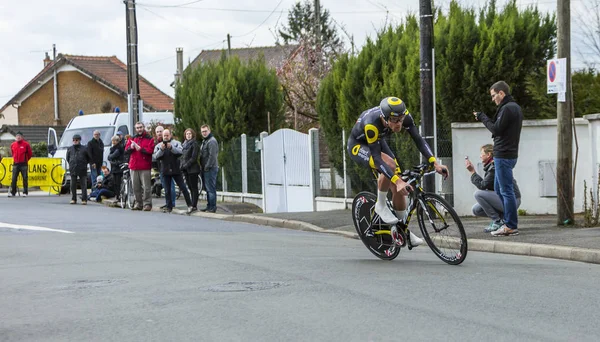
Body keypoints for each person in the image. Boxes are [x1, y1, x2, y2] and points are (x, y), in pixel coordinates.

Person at [347, 97, 449, 246]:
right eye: (394, 120)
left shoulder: (404, 115)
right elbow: (377, 159)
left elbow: (418, 139)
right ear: (384, 117)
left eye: (401, 119)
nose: (399, 124)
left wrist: (435, 163)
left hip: (378, 140)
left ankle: (403, 230)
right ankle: (380, 205)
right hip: (359, 146)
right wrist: (398, 180)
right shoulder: (371, 124)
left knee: (399, 189)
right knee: (390, 166)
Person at [474, 81, 523, 236]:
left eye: (494, 95)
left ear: (502, 93)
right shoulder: (514, 108)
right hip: (508, 154)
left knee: (506, 191)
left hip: (503, 155)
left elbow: (496, 129)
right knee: (499, 190)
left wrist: (482, 117)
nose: (493, 99)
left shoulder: (508, 108)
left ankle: (510, 225)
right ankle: (504, 221)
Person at [466, 144, 522, 232]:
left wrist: (472, 172)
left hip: (513, 201)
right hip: (505, 199)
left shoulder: (494, 167)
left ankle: (497, 221)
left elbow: (482, 186)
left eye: (482, 154)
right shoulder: (492, 166)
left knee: (478, 194)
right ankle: (503, 219)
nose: (480, 156)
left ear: (488, 155)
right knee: (476, 210)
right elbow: (485, 184)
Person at [153, 129, 194, 213]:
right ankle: (169, 206)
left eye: (167, 135)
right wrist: (161, 149)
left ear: (170, 135)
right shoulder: (158, 145)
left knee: (183, 187)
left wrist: (171, 148)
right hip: (165, 170)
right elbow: (155, 156)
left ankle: (190, 205)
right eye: (164, 135)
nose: (166, 137)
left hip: (176, 169)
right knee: (167, 190)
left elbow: (180, 151)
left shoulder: (176, 143)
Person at [125, 122, 155, 211]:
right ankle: (138, 203)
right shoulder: (132, 138)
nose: (139, 129)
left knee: (146, 187)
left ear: (143, 127)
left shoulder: (150, 139)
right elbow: (126, 150)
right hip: (134, 166)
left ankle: (147, 204)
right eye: (137, 128)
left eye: (140, 127)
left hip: (145, 166)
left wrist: (141, 149)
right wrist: (131, 147)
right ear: (135, 129)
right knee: (135, 187)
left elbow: (150, 151)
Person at [153, 125, 176, 209]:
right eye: (157, 132)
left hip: (170, 167)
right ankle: (168, 202)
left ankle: (172, 203)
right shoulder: (155, 143)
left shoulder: (170, 142)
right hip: (160, 167)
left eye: (161, 131)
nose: (159, 133)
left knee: (171, 185)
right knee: (166, 187)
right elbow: (155, 156)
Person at [66, 134, 91, 205]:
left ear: (79, 140)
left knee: (83, 184)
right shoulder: (70, 149)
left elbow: (88, 158)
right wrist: (72, 164)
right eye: (73, 140)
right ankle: (73, 199)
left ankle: (84, 199)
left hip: (82, 168)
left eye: (76, 140)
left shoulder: (84, 148)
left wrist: (84, 163)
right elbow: (68, 158)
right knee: (73, 184)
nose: (75, 141)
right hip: (73, 168)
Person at [180, 128, 201, 212]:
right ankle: (192, 204)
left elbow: (193, 158)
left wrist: (186, 165)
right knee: (189, 187)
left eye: (190, 134)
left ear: (193, 135)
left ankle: (194, 205)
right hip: (186, 170)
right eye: (187, 134)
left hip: (193, 169)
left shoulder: (195, 144)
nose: (188, 135)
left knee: (194, 187)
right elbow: (182, 157)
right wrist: (182, 166)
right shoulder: (184, 144)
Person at [200, 125, 219, 213]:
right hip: (205, 168)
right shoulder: (205, 141)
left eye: (205, 131)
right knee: (208, 188)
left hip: (210, 168)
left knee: (211, 189)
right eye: (202, 131)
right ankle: (209, 206)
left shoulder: (212, 141)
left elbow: (212, 156)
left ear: (209, 130)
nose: (204, 133)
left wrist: (207, 167)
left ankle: (212, 207)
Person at [9, 131, 32, 197]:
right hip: (15, 164)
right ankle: (13, 192)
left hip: (23, 164)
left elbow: (30, 154)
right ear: (15, 137)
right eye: (17, 136)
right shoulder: (12, 145)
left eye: (19, 136)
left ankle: (25, 192)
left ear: (22, 137)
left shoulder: (26, 144)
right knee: (13, 179)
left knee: (25, 178)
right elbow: (12, 153)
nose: (18, 137)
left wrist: (25, 160)